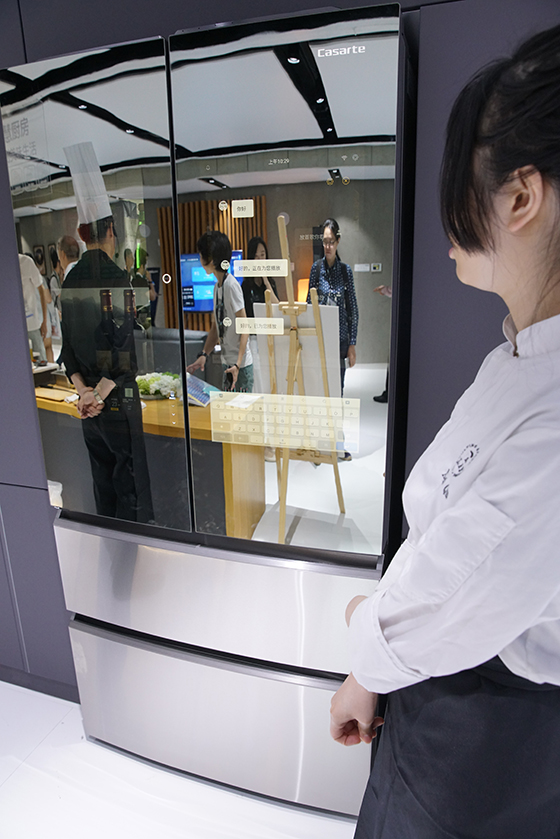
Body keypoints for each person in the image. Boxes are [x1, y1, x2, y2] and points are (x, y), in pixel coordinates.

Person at [330, 24, 560, 839]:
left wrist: (365, 633)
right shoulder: (520, 353)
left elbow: (461, 586)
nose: (446, 215)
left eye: (462, 181)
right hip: (439, 694)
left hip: (480, 737)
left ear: (521, 197)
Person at [60, 213, 154, 523]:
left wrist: (84, 393)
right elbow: (121, 349)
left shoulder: (70, 280)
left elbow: (67, 348)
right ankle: (130, 549)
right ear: (111, 231)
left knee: (102, 484)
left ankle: (109, 549)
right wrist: (99, 395)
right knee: (130, 487)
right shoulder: (116, 277)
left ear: (83, 234)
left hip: (89, 407)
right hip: (115, 401)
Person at [187, 230, 253, 393]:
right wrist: (204, 354)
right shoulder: (217, 287)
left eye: (201, 254)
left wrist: (237, 364)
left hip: (240, 367)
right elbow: (216, 328)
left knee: (241, 408)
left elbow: (245, 327)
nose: (199, 258)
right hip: (228, 364)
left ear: (211, 259)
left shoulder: (231, 286)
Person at [307, 218, 358, 395]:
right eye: (325, 242)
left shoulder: (345, 271)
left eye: (331, 242)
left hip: (339, 339)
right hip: (319, 338)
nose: (327, 246)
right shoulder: (316, 269)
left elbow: (352, 308)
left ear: (337, 241)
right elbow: (309, 304)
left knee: (337, 387)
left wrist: (352, 344)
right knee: (318, 386)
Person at [241, 236, 278, 394]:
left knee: (271, 375)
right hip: (253, 339)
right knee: (258, 378)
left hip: (269, 336)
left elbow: (277, 306)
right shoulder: (245, 285)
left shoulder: (270, 283)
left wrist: (266, 282)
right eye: (256, 256)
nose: (260, 259)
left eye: (262, 255)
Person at [18, 252, 48, 361]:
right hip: (13, 326)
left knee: (41, 360)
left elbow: (41, 289)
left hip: (31, 323)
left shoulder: (26, 261)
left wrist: (44, 321)